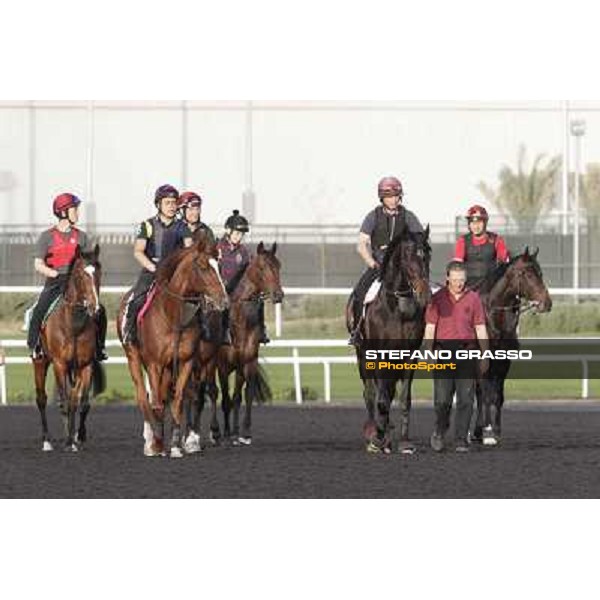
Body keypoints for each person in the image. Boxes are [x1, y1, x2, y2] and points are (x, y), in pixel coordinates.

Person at [27, 193, 108, 361]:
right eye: (74, 209)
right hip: (55, 281)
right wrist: (53, 273)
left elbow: (88, 262)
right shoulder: (46, 236)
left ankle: (99, 348)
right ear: (63, 212)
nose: (78, 213)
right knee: (38, 310)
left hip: (78, 283)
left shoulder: (82, 237)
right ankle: (36, 347)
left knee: (101, 311)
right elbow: (38, 264)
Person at [348, 176, 425, 345]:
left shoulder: (408, 217)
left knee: (424, 291)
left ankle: (426, 331)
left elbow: (420, 240)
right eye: (389, 196)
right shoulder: (373, 216)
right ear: (382, 198)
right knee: (360, 292)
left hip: (402, 268)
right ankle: (357, 330)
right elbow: (361, 245)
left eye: (396, 195)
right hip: (378, 265)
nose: (393, 199)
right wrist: (371, 263)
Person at [424, 261, 489, 453]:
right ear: (447, 278)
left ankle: (461, 439)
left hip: (467, 352)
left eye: (462, 280)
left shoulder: (474, 298)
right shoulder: (436, 299)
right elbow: (429, 329)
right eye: (455, 280)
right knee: (442, 400)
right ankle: (439, 429)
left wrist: (485, 356)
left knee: (466, 399)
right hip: (443, 353)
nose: (459, 284)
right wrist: (428, 352)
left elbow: (481, 329)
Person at [123, 184, 193, 344]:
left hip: (174, 274)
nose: (172, 206)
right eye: (167, 202)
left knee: (195, 302)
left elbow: (189, 251)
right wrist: (153, 267)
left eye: (174, 203)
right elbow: (138, 251)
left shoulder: (183, 227)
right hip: (152, 271)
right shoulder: (147, 225)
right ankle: (130, 333)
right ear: (158, 205)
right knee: (137, 300)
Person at [216, 209, 269, 344]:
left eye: (242, 234)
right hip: (220, 288)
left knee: (259, 301)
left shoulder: (245, 251)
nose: (239, 237)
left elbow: (252, 273)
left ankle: (261, 330)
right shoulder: (217, 247)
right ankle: (222, 332)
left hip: (239, 292)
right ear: (228, 230)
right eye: (238, 233)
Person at [453, 204, 510, 289]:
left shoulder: (497, 240)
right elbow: (457, 266)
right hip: (468, 286)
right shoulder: (462, 241)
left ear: (485, 223)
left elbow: (505, 264)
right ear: (469, 224)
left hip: (491, 286)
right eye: (473, 222)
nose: (476, 226)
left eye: (479, 222)